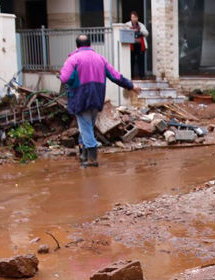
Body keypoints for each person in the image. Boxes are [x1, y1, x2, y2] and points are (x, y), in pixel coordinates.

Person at [60, 34, 141, 167]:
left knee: (85, 127)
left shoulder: (73, 59)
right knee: (87, 127)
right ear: (89, 44)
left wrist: (74, 80)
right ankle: (84, 154)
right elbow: (116, 76)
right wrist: (131, 86)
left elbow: (64, 78)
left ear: (77, 45)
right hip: (97, 96)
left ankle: (92, 158)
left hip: (81, 96)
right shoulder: (100, 59)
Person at [126, 11, 149, 79]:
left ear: (137, 18)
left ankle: (142, 75)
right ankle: (131, 75)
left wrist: (141, 31)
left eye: (135, 17)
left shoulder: (141, 25)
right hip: (131, 46)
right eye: (132, 17)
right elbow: (124, 33)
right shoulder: (127, 24)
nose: (134, 18)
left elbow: (147, 33)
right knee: (131, 61)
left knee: (141, 61)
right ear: (130, 18)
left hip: (140, 45)